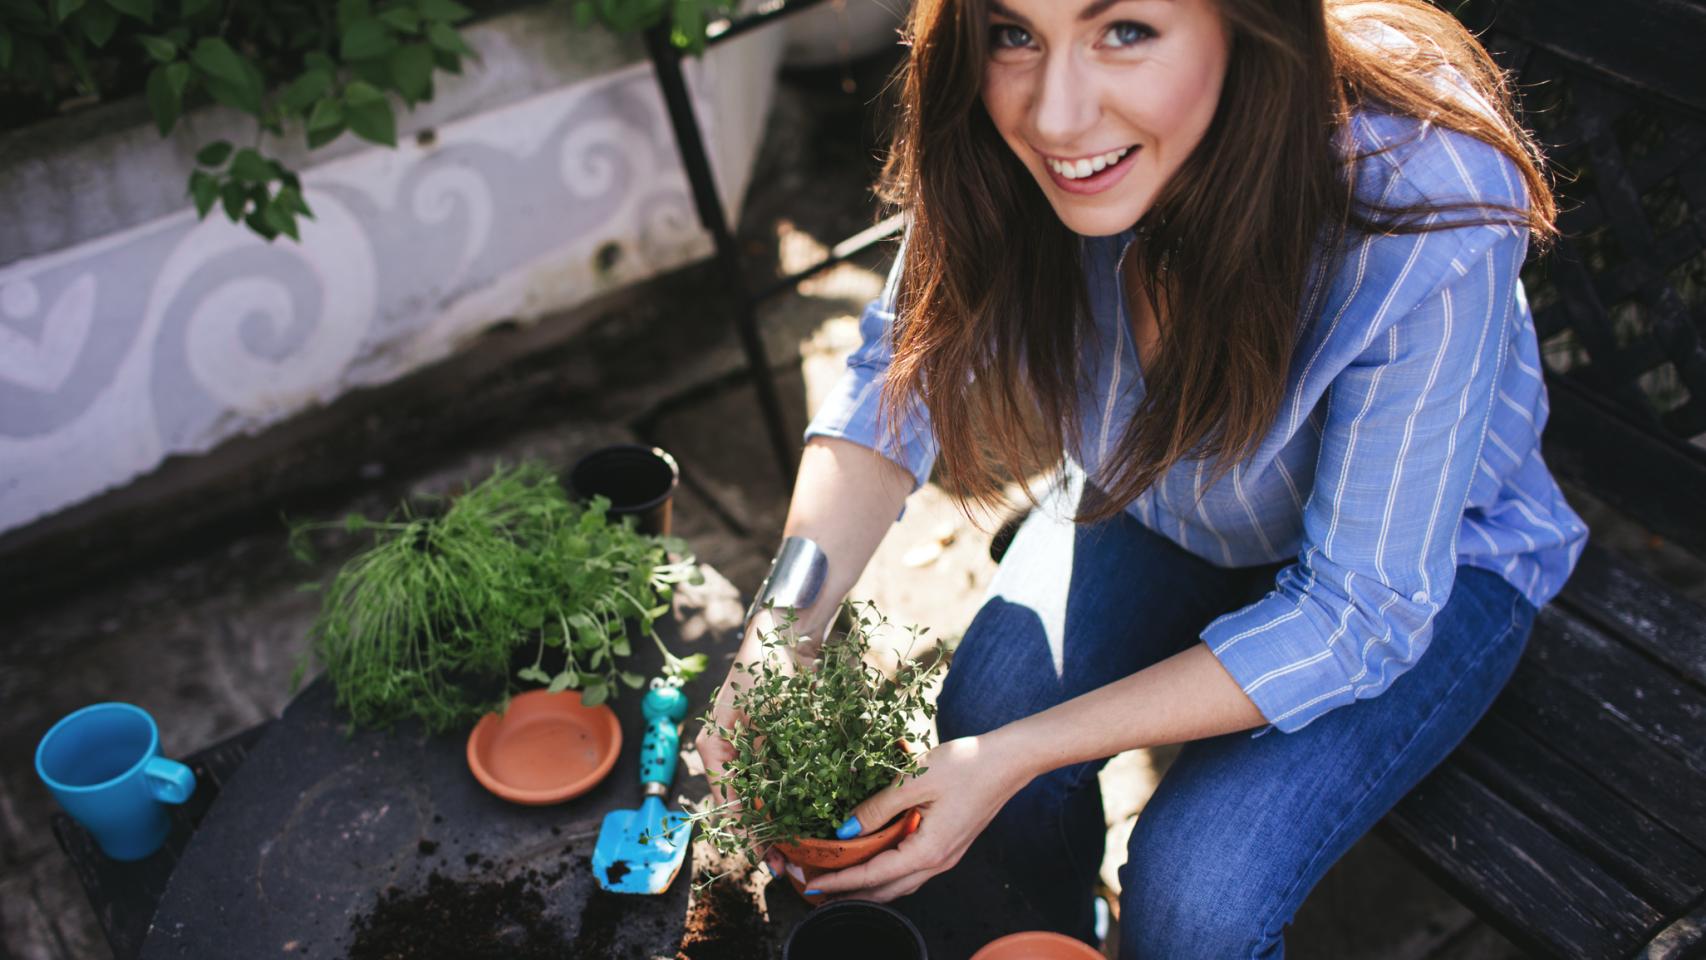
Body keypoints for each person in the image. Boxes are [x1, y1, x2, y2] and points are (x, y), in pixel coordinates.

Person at [696, 0, 1589, 954]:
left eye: (1124, 30)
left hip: (1429, 568)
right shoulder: (1000, 141)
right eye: (1014, 34)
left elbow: (1358, 610)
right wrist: (779, 633)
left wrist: (1014, 757)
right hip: (1165, 499)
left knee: (1194, 894)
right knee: (984, 711)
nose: (1055, 117)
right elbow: (896, 377)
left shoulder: (1421, 190)